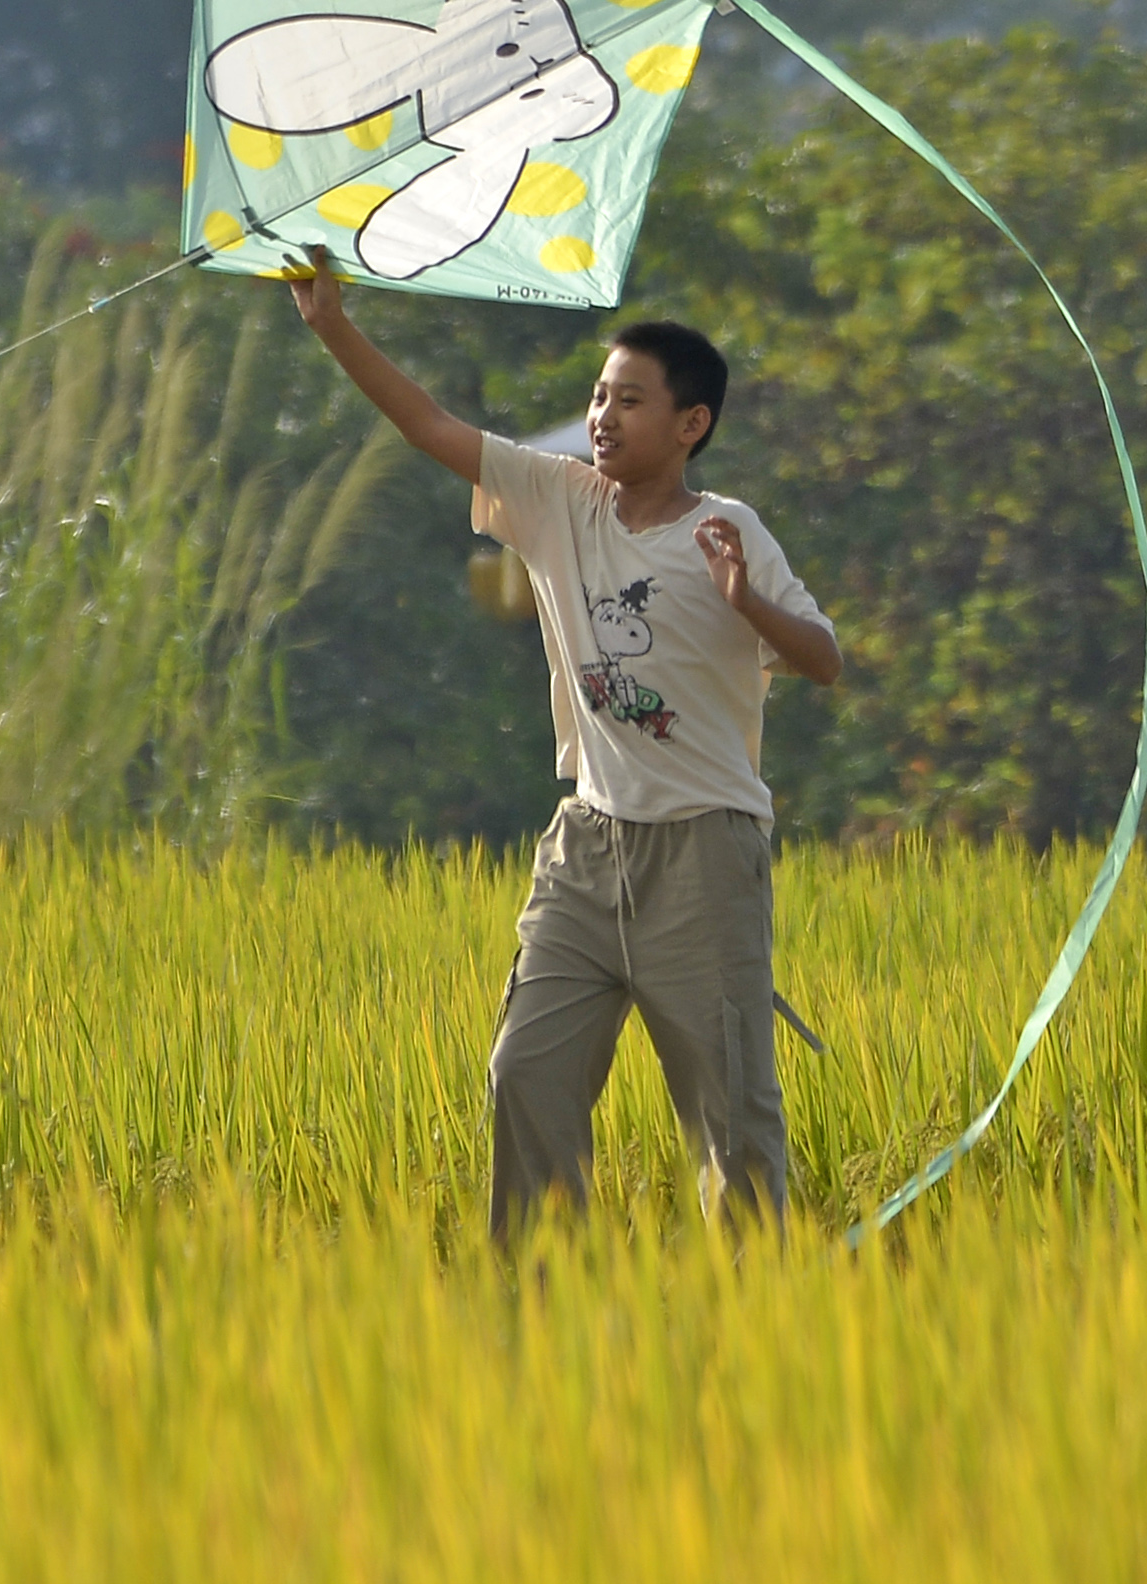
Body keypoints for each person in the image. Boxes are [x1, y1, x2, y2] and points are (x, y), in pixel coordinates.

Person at [285, 255, 845, 1240]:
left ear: (691, 426)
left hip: (703, 858)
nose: (602, 415)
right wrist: (334, 327)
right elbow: (429, 425)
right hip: (586, 849)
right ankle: (540, 1317)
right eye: (597, 396)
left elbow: (824, 659)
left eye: (630, 400)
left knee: (732, 1118)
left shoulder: (727, 531)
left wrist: (744, 600)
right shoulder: (557, 502)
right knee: (524, 1075)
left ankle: (763, 1324)